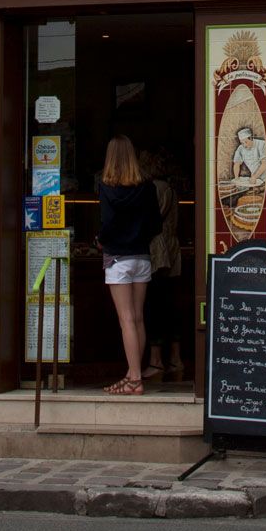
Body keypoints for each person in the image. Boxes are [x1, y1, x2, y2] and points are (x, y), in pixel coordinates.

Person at [94, 134, 160, 395]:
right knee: (138, 318)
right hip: (141, 256)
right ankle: (134, 373)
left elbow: (107, 224)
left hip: (118, 258)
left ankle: (134, 378)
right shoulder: (147, 187)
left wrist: (100, 240)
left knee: (126, 320)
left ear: (110, 158)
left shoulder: (106, 187)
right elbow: (156, 225)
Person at [142, 151, 186, 384]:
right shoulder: (171, 188)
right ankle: (176, 360)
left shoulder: (154, 188)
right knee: (171, 305)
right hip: (172, 249)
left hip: (157, 253)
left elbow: (149, 220)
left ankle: (156, 361)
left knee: (154, 304)